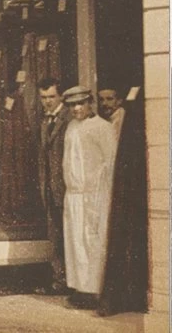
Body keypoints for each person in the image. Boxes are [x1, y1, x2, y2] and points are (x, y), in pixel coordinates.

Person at [60, 86, 118, 310]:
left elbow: (110, 161)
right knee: (75, 241)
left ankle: (94, 290)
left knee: (92, 240)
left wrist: (100, 190)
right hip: (73, 194)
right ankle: (80, 288)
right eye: (72, 105)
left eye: (81, 104)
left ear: (89, 103)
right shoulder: (71, 127)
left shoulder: (102, 128)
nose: (76, 109)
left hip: (94, 195)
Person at [35, 78, 70, 295]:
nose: (47, 102)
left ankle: (72, 282)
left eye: (51, 97)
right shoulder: (43, 120)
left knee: (69, 235)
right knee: (55, 235)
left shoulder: (69, 118)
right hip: (49, 187)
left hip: (67, 188)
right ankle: (59, 280)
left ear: (60, 97)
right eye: (43, 98)